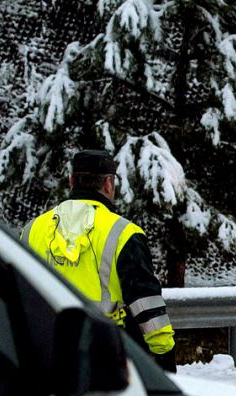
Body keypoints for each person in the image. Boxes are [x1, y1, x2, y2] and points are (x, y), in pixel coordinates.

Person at [24, 149, 177, 371]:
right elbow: (145, 301)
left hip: (47, 350)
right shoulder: (123, 233)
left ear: (71, 181)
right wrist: (164, 352)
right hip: (106, 352)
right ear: (108, 184)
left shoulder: (32, 230)